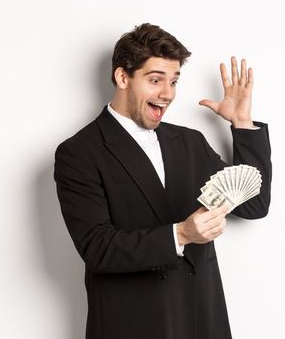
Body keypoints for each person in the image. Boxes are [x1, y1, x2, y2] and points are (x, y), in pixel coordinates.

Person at [54, 23, 272, 339]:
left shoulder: (190, 142)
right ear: (123, 77)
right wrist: (181, 234)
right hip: (133, 325)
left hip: (201, 320)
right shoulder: (80, 152)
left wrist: (242, 123)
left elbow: (254, 204)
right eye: (155, 80)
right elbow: (98, 248)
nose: (167, 93)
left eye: (173, 81)